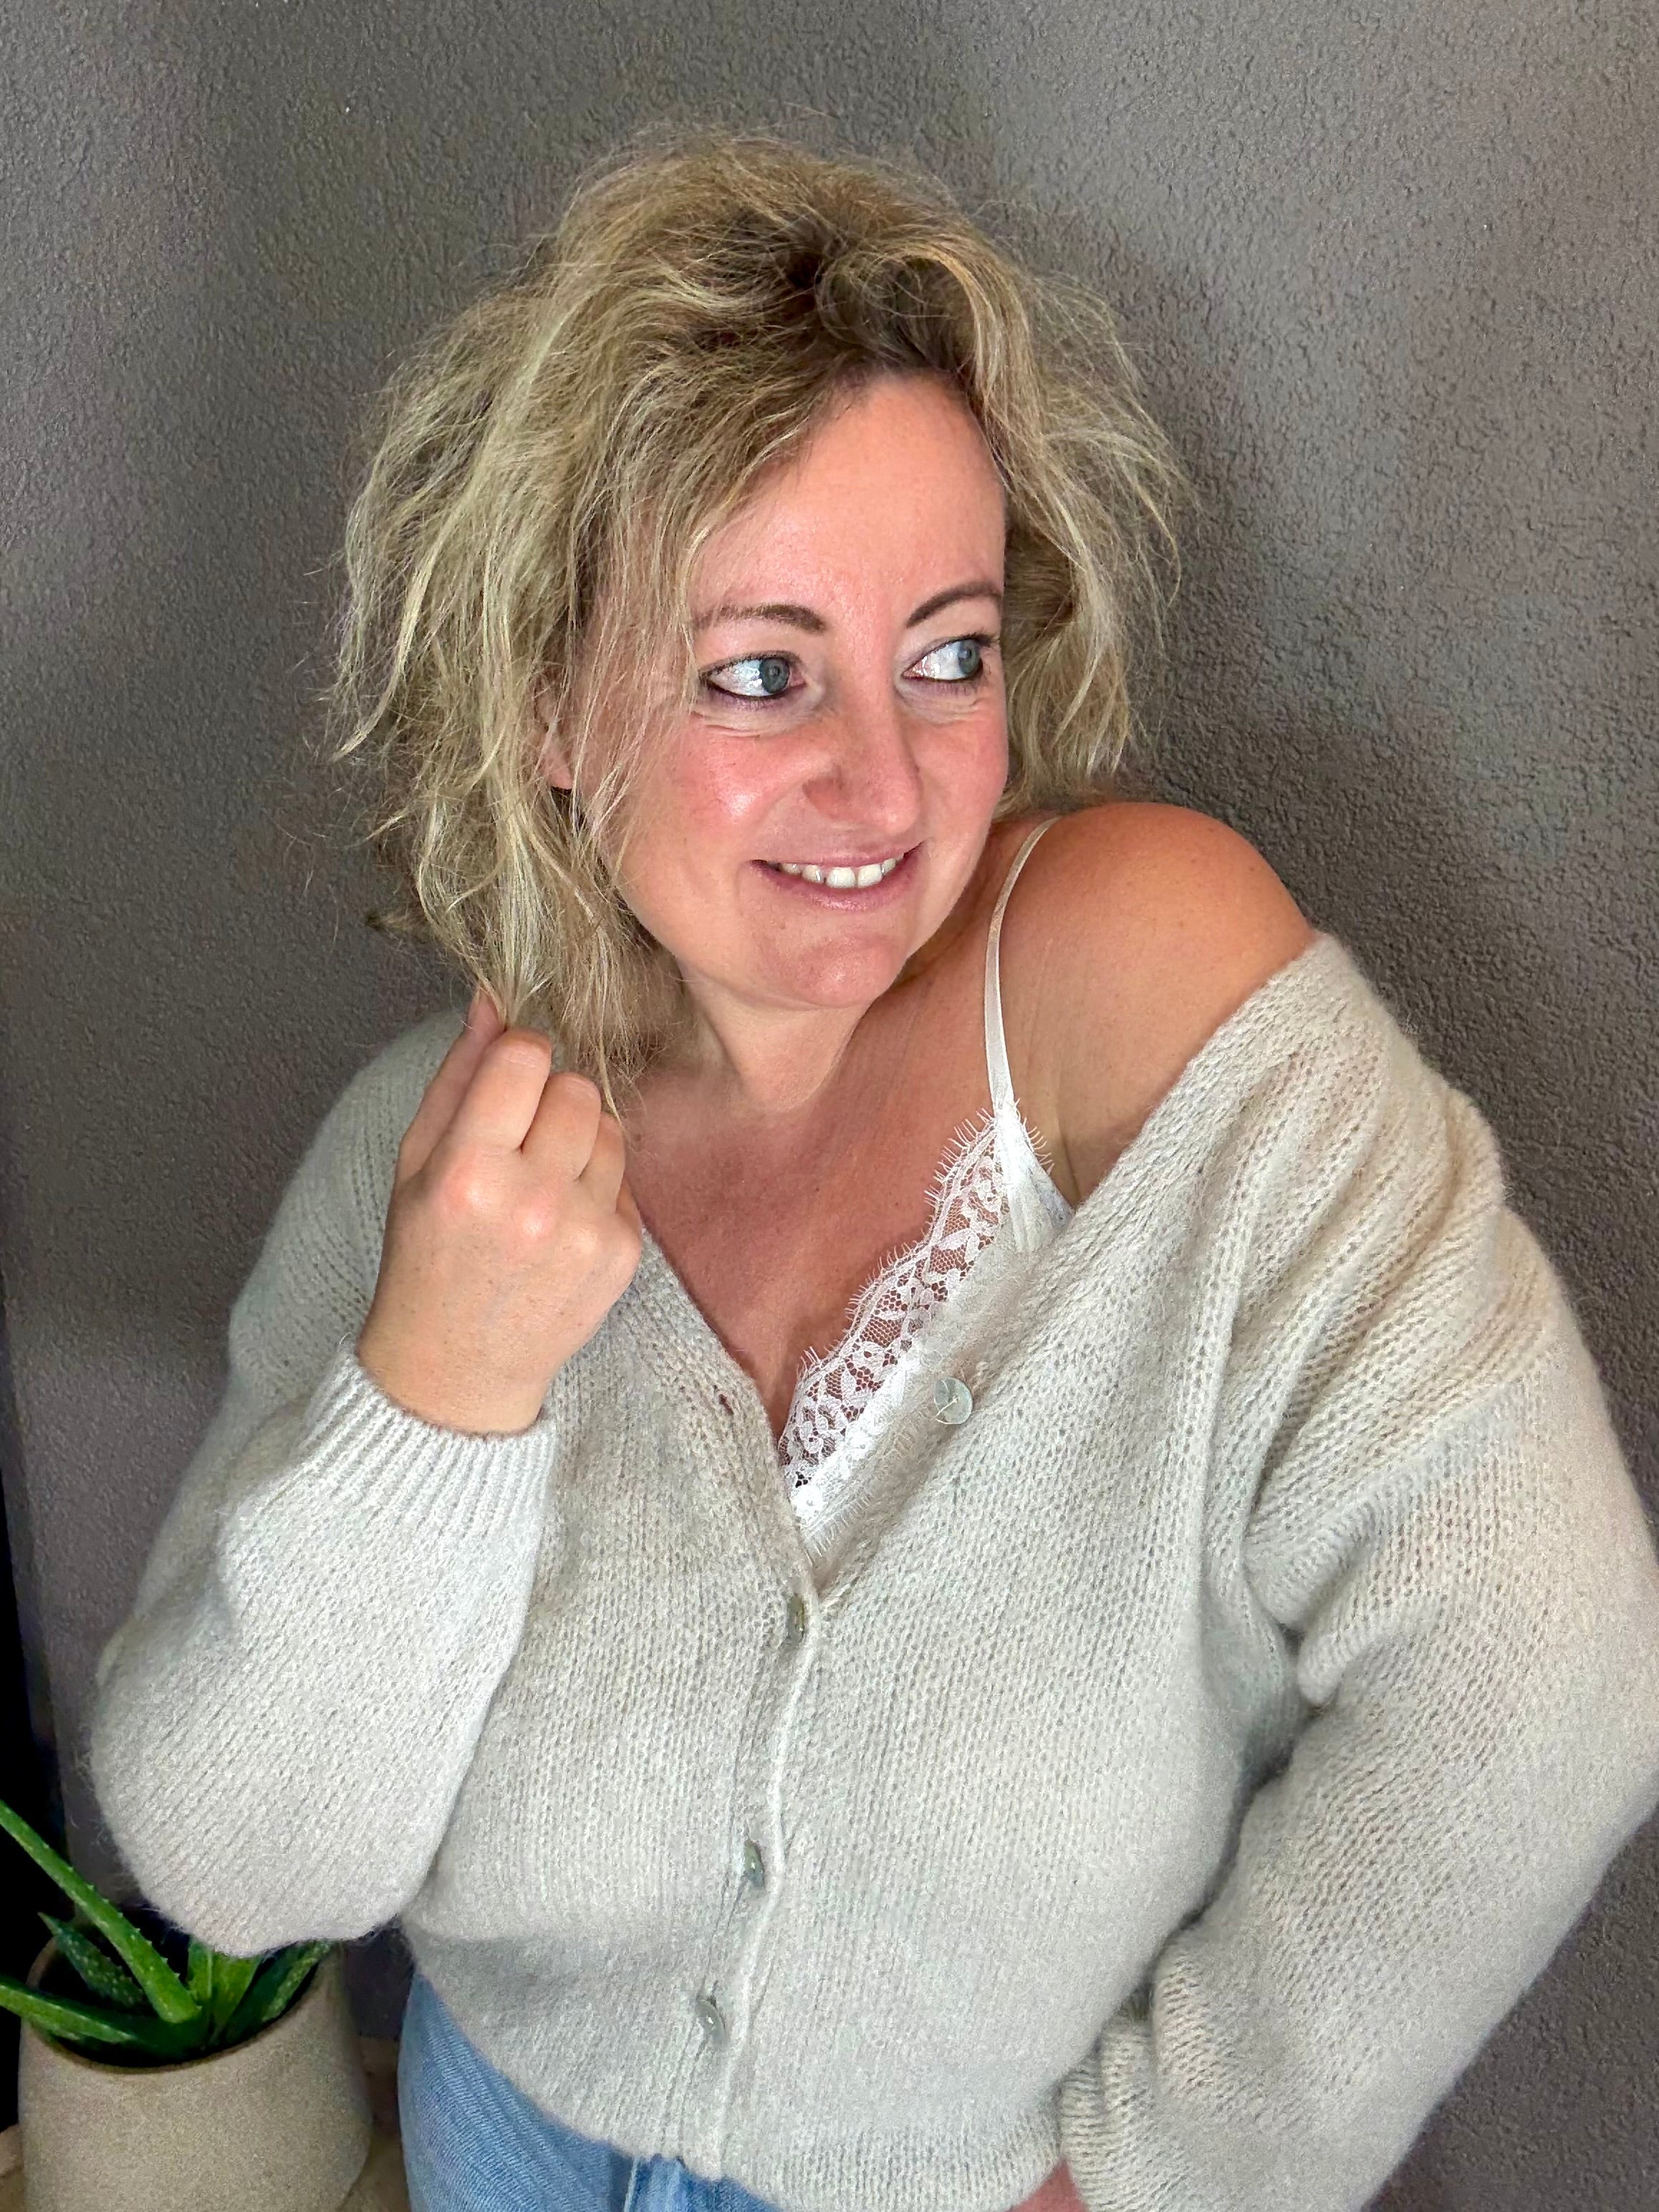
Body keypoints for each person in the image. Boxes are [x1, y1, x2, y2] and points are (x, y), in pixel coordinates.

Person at [88, 123, 1659, 2212]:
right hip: (498, 2140)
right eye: (761, 673)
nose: (886, 780)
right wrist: (437, 1392)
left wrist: (1163, 2178)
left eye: (947, 654)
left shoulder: (1131, 976)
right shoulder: (428, 1151)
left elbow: (1541, 1656)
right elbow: (243, 1866)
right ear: (551, 705)